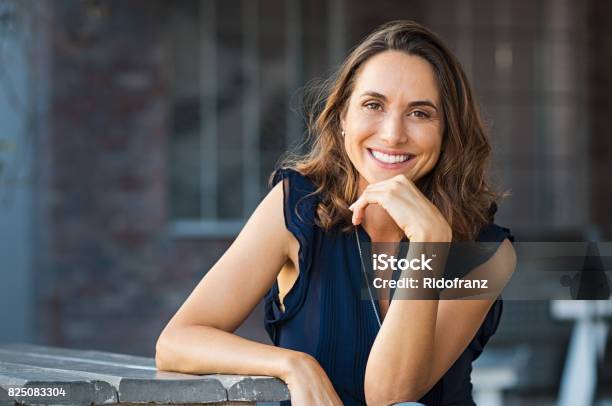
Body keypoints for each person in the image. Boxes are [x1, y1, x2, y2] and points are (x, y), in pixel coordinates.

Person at [155, 20, 517, 406]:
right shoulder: (295, 206)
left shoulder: (486, 253)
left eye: (420, 113)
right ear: (343, 117)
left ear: (448, 131)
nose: (393, 134)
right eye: (373, 105)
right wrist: (293, 365)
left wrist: (430, 243)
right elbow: (177, 341)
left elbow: (388, 393)